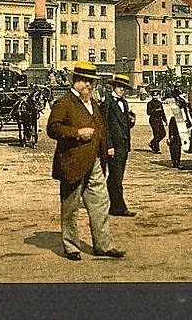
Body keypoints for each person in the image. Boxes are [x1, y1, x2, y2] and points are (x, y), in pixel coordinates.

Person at [45, 61, 123, 261]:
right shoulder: (64, 103)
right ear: (76, 81)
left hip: (95, 160)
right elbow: (53, 129)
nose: (89, 85)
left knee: (101, 203)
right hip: (72, 162)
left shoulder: (93, 103)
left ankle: (103, 245)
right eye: (86, 81)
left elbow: (101, 128)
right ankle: (71, 246)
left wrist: (106, 148)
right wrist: (76, 133)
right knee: (70, 206)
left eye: (91, 82)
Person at [100, 73, 136, 217]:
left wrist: (131, 120)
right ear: (114, 87)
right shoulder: (107, 103)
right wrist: (109, 146)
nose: (122, 90)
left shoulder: (124, 103)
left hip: (123, 145)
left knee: (116, 176)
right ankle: (118, 207)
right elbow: (104, 126)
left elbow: (124, 124)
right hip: (113, 146)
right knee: (116, 177)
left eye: (124, 88)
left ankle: (111, 204)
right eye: (120, 87)